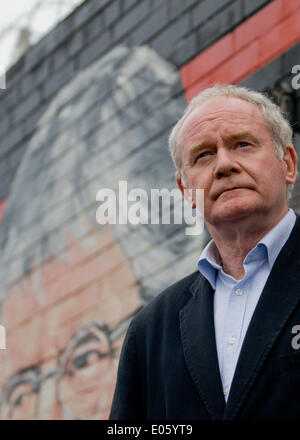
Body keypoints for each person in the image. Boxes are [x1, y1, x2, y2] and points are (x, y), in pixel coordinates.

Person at [109, 84, 300, 420]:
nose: (224, 165)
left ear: (287, 162)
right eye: (203, 155)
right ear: (186, 190)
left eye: (242, 144)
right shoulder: (150, 331)